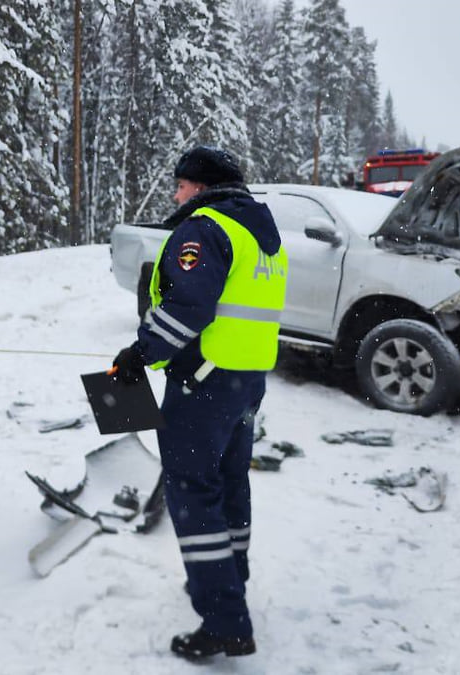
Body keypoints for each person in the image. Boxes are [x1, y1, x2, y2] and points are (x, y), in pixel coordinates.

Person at [110, 146, 287, 660]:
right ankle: (230, 577)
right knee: (230, 484)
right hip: (245, 381)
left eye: (181, 184)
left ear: (200, 186)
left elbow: (188, 307)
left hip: (202, 383)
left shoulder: (204, 228)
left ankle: (224, 620)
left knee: (193, 493)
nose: (175, 193)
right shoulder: (260, 234)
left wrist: (140, 353)